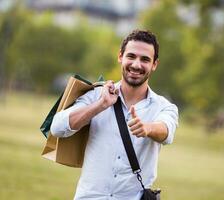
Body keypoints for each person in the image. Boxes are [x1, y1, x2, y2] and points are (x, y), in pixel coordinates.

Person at [51, 29, 179, 200]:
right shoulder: (96, 95)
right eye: (131, 56)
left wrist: (147, 128)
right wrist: (100, 105)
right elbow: (57, 128)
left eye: (145, 59)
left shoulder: (164, 107)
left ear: (154, 64)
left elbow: (167, 131)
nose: (136, 65)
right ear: (120, 56)